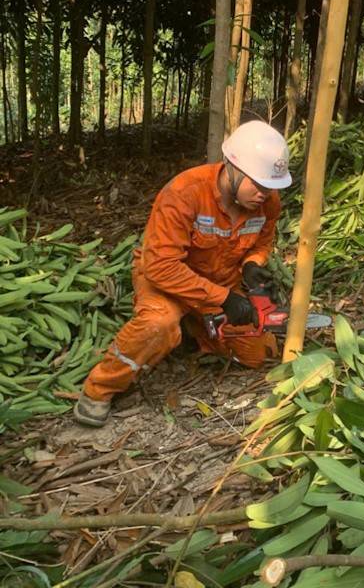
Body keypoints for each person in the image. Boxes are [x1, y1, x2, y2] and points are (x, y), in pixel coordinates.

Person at [73, 121, 292, 427]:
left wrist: (252, 264)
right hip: (167, 280)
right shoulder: (184, 193)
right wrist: (223, 298)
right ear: (232, 167)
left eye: (270, 187)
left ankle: (195, 326)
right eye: (258, 184)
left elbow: (262, 242)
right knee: (159, 324)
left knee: (256, 353)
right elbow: (160, 267)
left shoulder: (267, 202)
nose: (264, 194)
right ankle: (99, 390)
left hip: (220, 280)